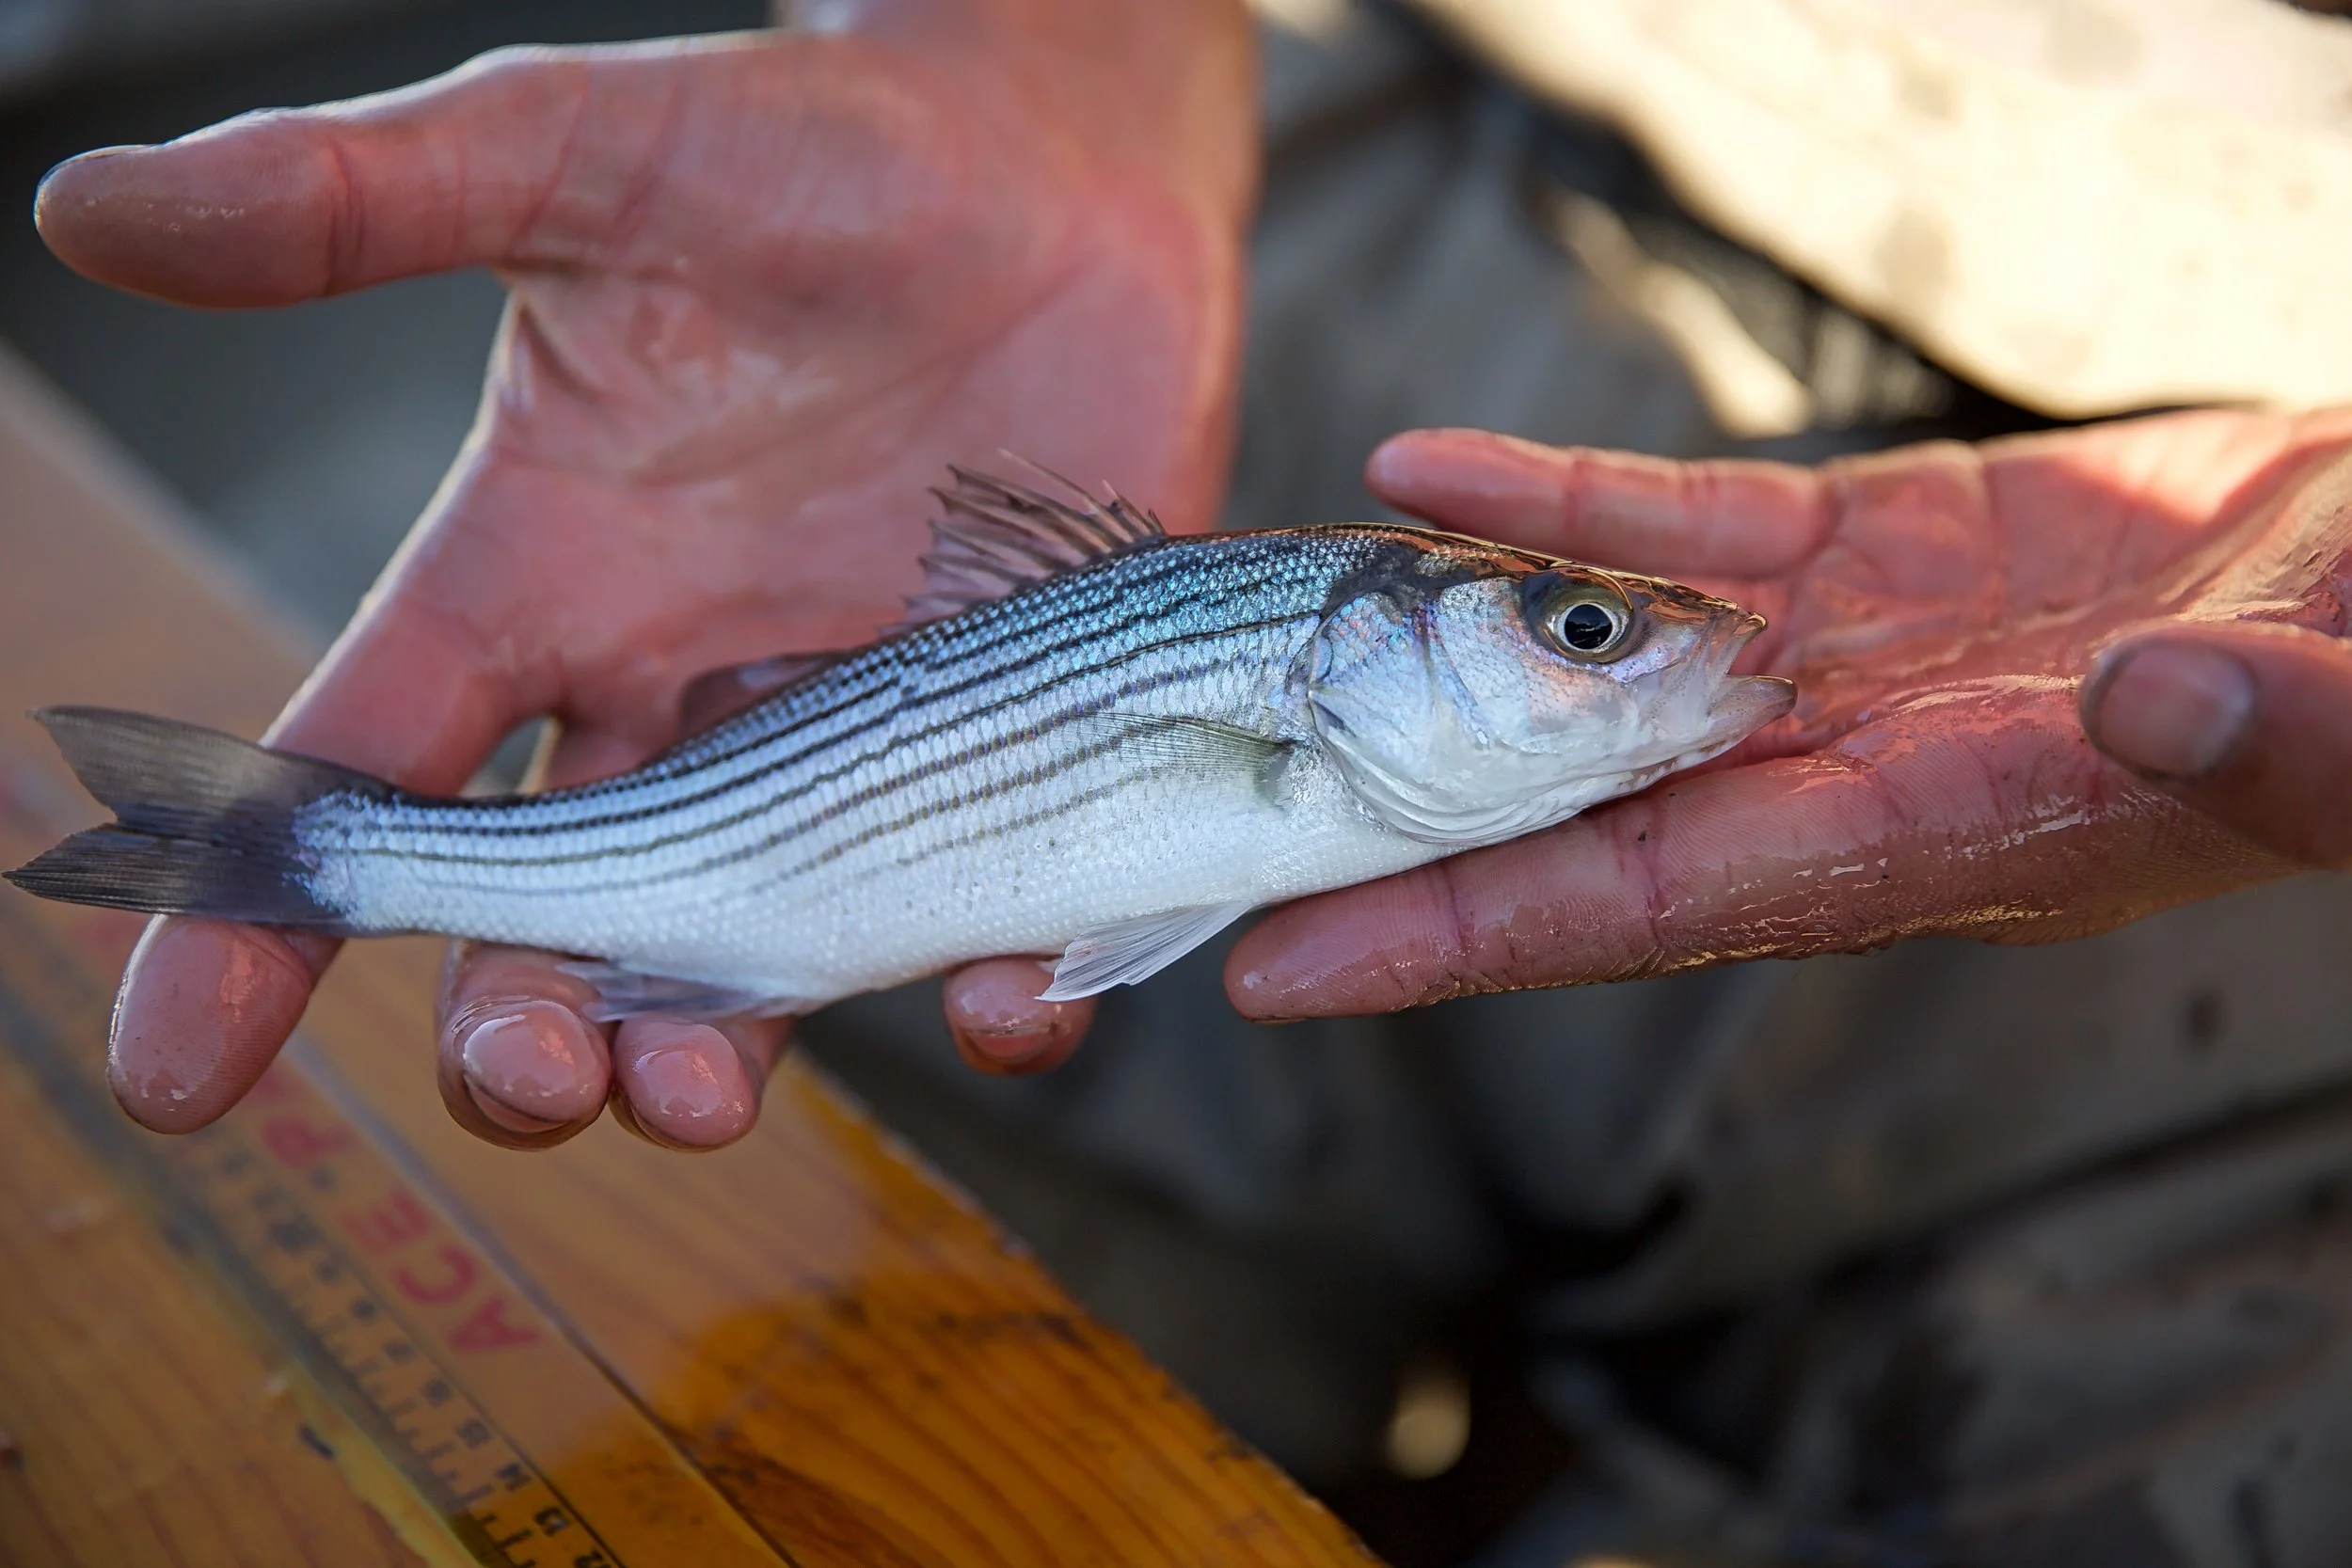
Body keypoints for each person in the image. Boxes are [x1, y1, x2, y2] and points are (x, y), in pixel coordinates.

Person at [32, 2, 2352, 1559]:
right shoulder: (1296, 646)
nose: (1629, 647)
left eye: (1590, 626)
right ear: (1366, 654)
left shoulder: (1348, 710)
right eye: (1574, 626)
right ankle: (332, 851)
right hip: (1500, 94)